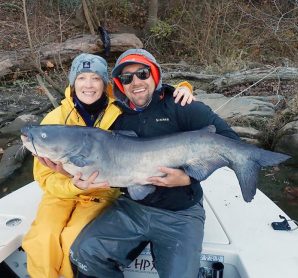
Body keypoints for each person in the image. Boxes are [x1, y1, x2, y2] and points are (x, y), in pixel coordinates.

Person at [69, 49, 240, 278]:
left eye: (142, 73)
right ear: (120, 84)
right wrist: (69, 172)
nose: (136, 82)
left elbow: (231, 144)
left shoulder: (182, 105)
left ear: (155, 74)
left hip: (181, 213)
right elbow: (82, 115)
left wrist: (188, 177)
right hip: (132, 208)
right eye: (127, 78)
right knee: (83, 253)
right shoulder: (114, 116)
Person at [22, 53, 194, 278]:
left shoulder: (120, 107)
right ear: (73, 83)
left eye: (95, 78)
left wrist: (184, 88)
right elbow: (45, 179)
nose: (89, 85)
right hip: (61, 194)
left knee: (74, 236)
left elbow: (151, 95)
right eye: (82, 78)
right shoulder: (54, 119)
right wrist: (74, 186)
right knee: (42, 239)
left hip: (102, 191)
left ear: (105, 84)